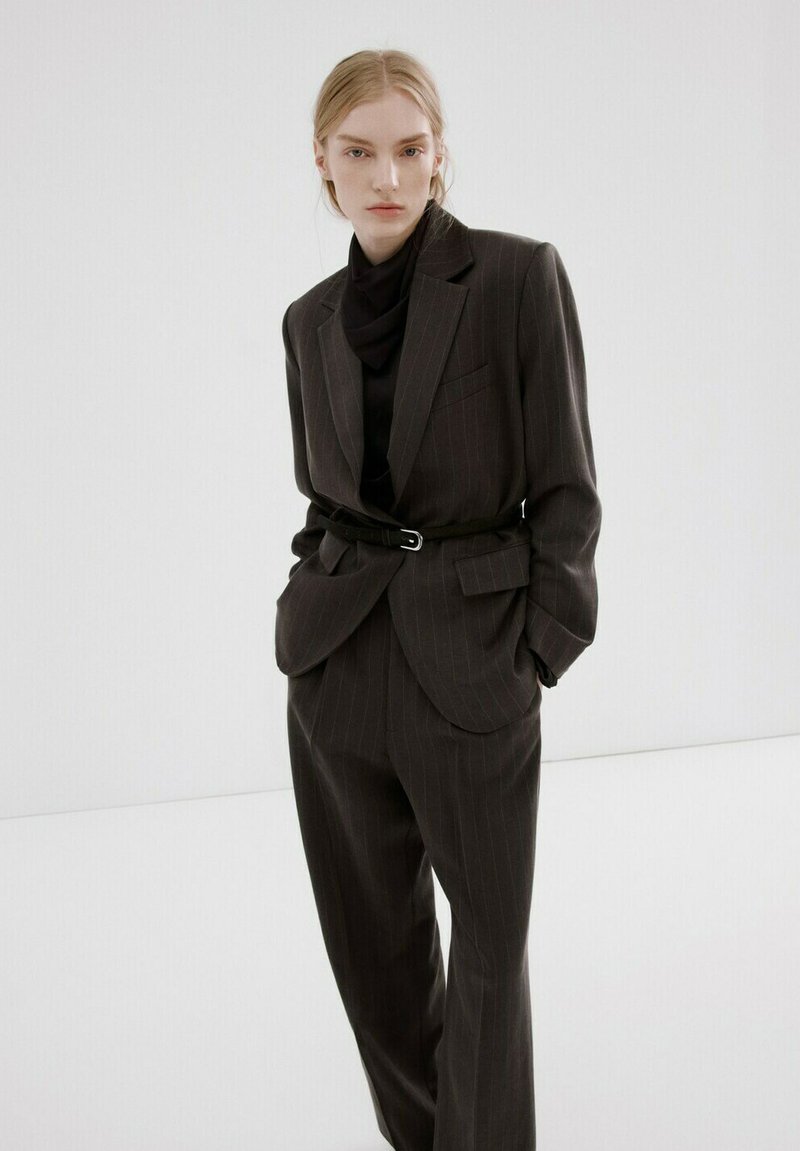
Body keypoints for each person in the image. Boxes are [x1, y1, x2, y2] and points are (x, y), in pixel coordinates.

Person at [275, 48, 601, 1151]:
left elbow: (567, 488)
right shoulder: (307, 320)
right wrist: (303, 617)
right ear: (321, 161)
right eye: (359, 151)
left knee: (489, 956)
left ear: (439, 152)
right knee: (373, 961)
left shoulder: (514, 278)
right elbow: (321, 497)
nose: (387, 176)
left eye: (409, 149)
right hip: (338, 665)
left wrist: (541, 645)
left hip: (475, 660)